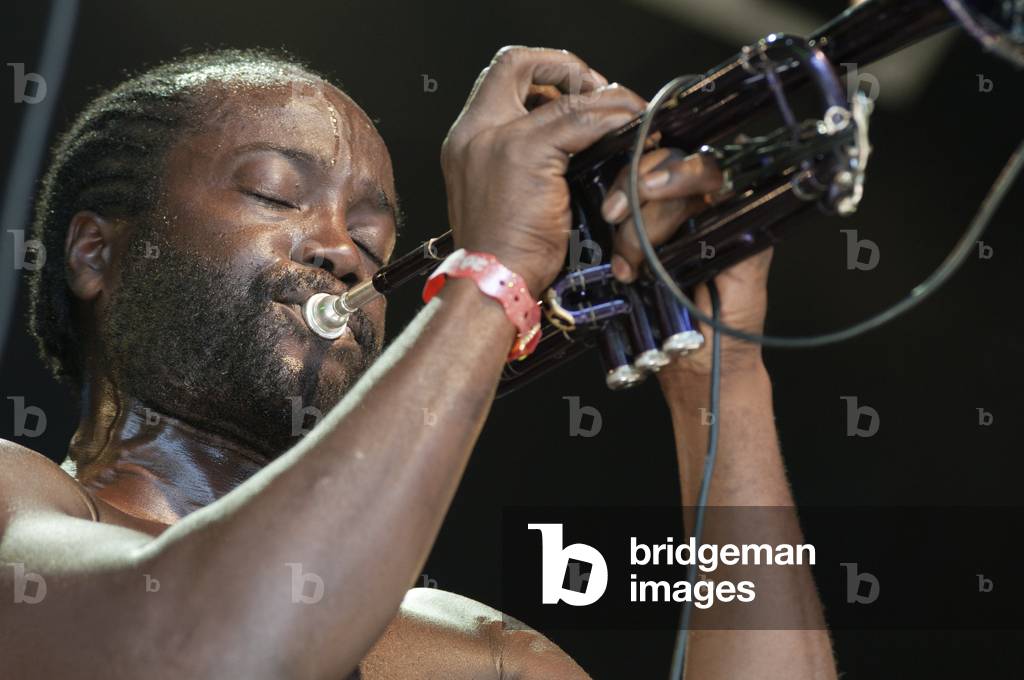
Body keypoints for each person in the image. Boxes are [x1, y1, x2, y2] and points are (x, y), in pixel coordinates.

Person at [0, 46, 837, 679]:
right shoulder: (17, 504)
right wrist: (496, 271)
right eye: (275, 193)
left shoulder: (475, 654)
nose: (343, 252)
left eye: (373, 238)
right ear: (96, 253)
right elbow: (220, 645)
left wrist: (715, 372)